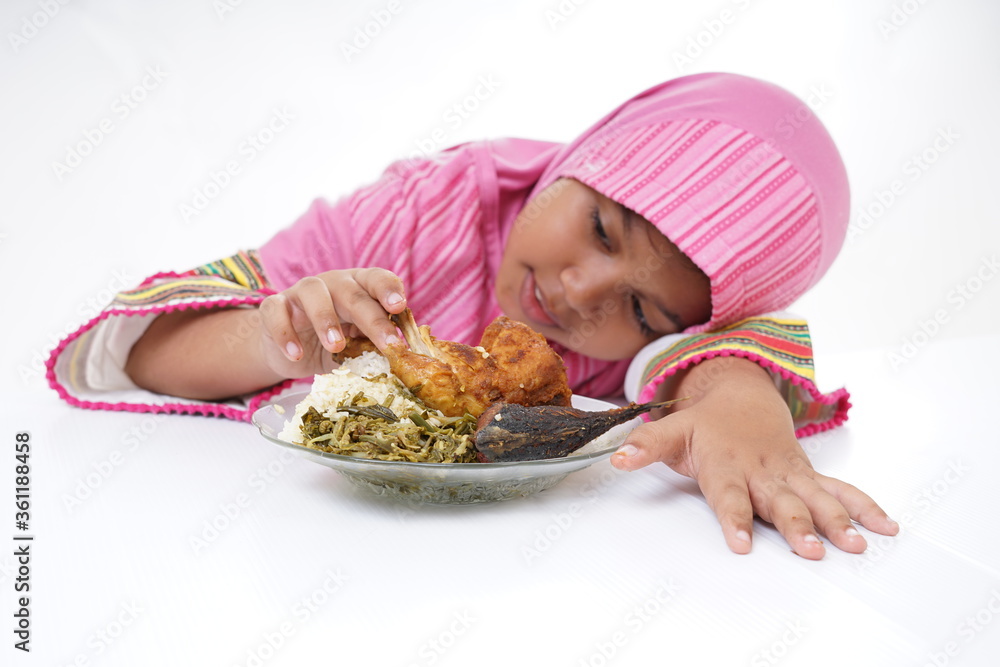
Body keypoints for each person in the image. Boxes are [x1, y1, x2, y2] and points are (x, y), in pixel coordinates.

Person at [46, 72, 898, 559]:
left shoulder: (672, 348)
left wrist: (739, 402)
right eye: (601, 226)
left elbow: (728, 355)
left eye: (638, 306)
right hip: (308, 547)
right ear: (581, 155)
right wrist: (273, 335)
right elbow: (151, 350)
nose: (579, 288)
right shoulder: (417, 214)